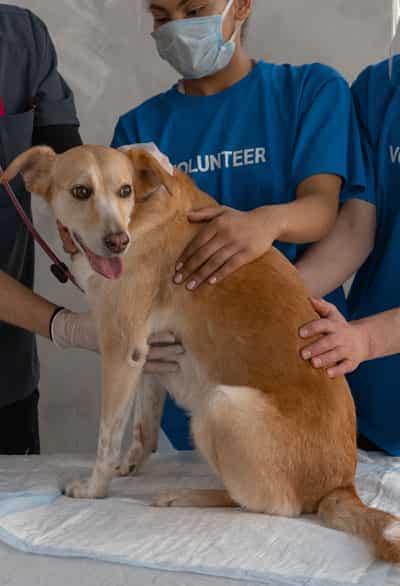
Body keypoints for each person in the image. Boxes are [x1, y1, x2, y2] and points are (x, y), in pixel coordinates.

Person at [110, 0, 369, 450]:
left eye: (194, 11)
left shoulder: (308, 90)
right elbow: (127, 257)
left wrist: (268, 222)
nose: (177, 29)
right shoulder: (138, 131)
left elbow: (323, 210)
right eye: (161, 17)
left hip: (295, 355)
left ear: (242, 5)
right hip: (190, 382)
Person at [297, 8, 400, 457]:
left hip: (369, 343)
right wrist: (265, 300)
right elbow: (355, 231)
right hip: (376, 396)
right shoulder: (380, 89)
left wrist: (368, 339)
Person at [0, 5, 99, 455]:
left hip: (8, 369)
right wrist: (66, 326)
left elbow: (64, 154)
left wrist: (84, 221)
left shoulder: (21, 35)